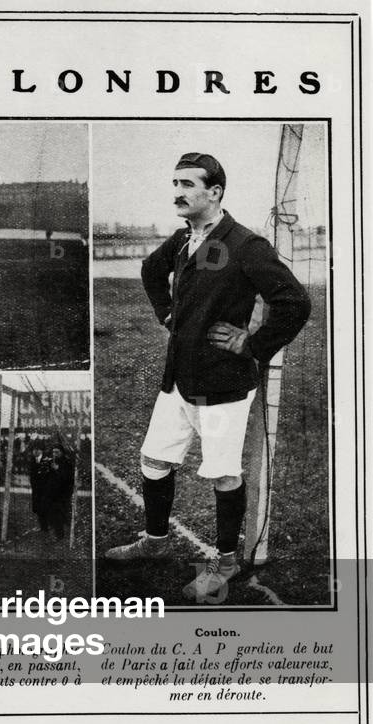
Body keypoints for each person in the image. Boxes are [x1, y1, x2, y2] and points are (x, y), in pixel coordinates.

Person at [104, 152, 312, 602]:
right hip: (176, 379)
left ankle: (226, 562)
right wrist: (166, 314)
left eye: (187, 184)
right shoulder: (182, 240)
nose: (177, 192)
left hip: (221, 385)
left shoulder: (245, 245)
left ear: (214, 192)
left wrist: (252, 345)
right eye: (174, 183)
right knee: (154, 461)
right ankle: (155, 541)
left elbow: (295, 302)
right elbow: (150, 272)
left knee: (222, 474)